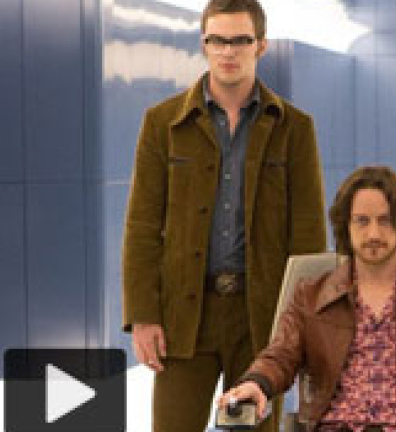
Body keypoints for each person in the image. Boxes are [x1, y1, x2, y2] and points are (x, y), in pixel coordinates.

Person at [121, 0, 326, 430]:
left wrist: (302, 325)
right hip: (183, 316)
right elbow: (142, 226)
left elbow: (307, 237)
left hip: (261, 318)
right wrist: (143, 315)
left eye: (240, 41)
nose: (228, 51)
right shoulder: (163, 124)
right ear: (204, 44)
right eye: (217, 40)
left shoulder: (294, 128)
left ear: (261, 46)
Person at [219, 166, 396, 432]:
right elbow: (280, 356)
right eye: (362, 221)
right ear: (346, 227)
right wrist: (256, 383)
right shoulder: (310, 295)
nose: (373, 233)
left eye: (385, 221)